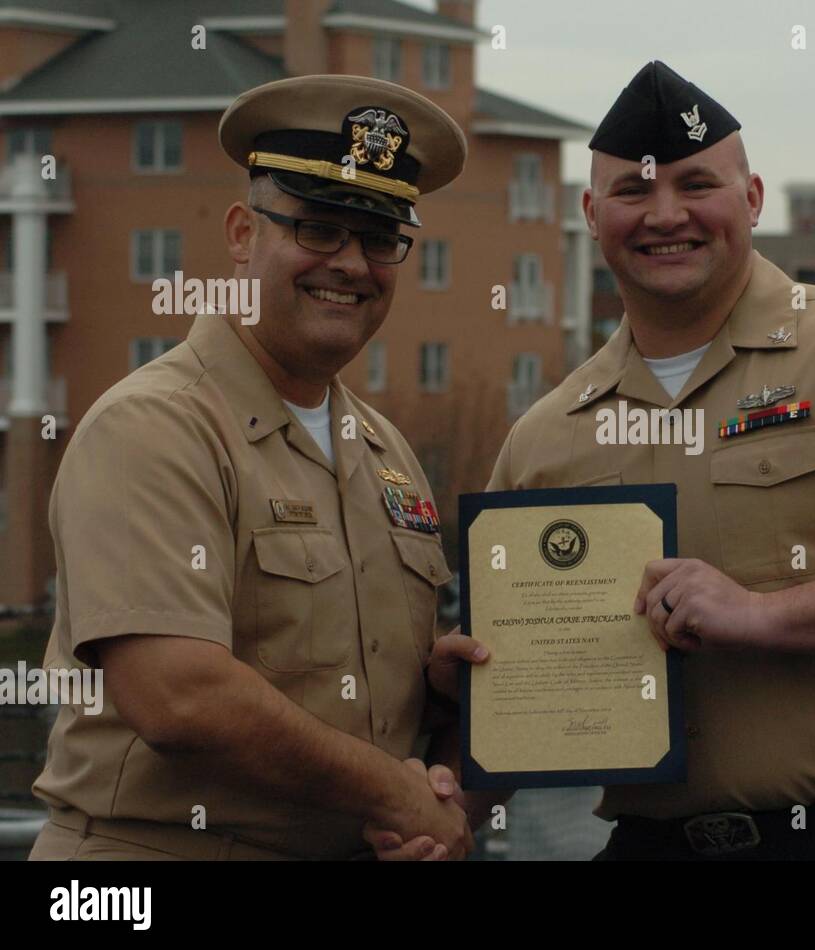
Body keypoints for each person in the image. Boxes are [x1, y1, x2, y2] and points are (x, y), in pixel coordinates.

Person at [453, 61, 815, 860]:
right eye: (633, 191)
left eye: (697, 184)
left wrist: (759, 616)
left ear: (754, 198)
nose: (666, 215)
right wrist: (440, 799)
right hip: (650, 844)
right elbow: (516, 701)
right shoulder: (548, 435)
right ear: (591, 213)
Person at [29, 74, 480, 861]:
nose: (350, 263)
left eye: (379, 240)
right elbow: (179, 695)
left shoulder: (385, 452)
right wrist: (396, 794)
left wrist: (434, 693)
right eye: (318, 229)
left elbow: (343, 676)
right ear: (242, 233)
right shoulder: (155, 427)